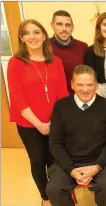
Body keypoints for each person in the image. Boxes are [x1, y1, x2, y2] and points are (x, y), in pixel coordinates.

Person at [7, 19, 69, 206]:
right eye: (27, 33)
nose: (32, 37)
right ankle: (46, 198)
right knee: (38, 160)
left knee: (54, 159)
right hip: (29, 123)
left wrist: (55, 122)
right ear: (22, 38)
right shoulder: (16, 62)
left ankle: (56, 191)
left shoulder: (56, 61)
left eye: (36, 32)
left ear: (44, 35)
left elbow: (63, 94)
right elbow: (17, 98)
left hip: (54, 122)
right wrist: (39, 124)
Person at [47, 65, 106, 206]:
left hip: (101, 161)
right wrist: (71, 169)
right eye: (80, 85)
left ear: (96, 85)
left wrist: (96, 167)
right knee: (54, 189)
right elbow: (55, 143)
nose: (85, 89)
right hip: (70, 160)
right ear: (72, 85)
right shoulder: (60, 107)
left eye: (90, 85)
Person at [50, 10, 88, 94]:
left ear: (72, 27)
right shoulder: (45, 47)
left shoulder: (83, 46)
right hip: (55, 97)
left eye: (67, 25)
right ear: (52, 25)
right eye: (59, 24)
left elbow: (88, 74)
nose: (64, 29)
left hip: (79, 96)